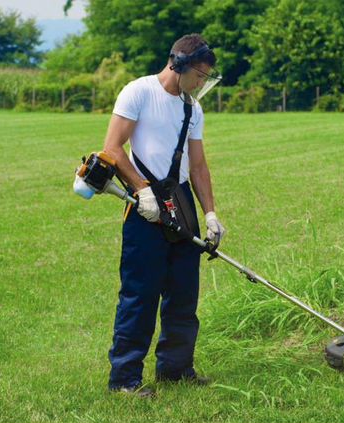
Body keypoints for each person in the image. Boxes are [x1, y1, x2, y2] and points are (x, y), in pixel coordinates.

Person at [101, 33, 225, 398]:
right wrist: (141, 190)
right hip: (144, 203)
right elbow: (112, 148)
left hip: (180, 200)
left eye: (206, 77)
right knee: (140, 293)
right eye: (200, 75)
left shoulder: (192, 109)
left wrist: (212, 213)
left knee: (184, 292)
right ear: (180, 65)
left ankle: (176, 368)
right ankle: (124, 380)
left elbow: (198, 164)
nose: (202, 83)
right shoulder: (138, 92)